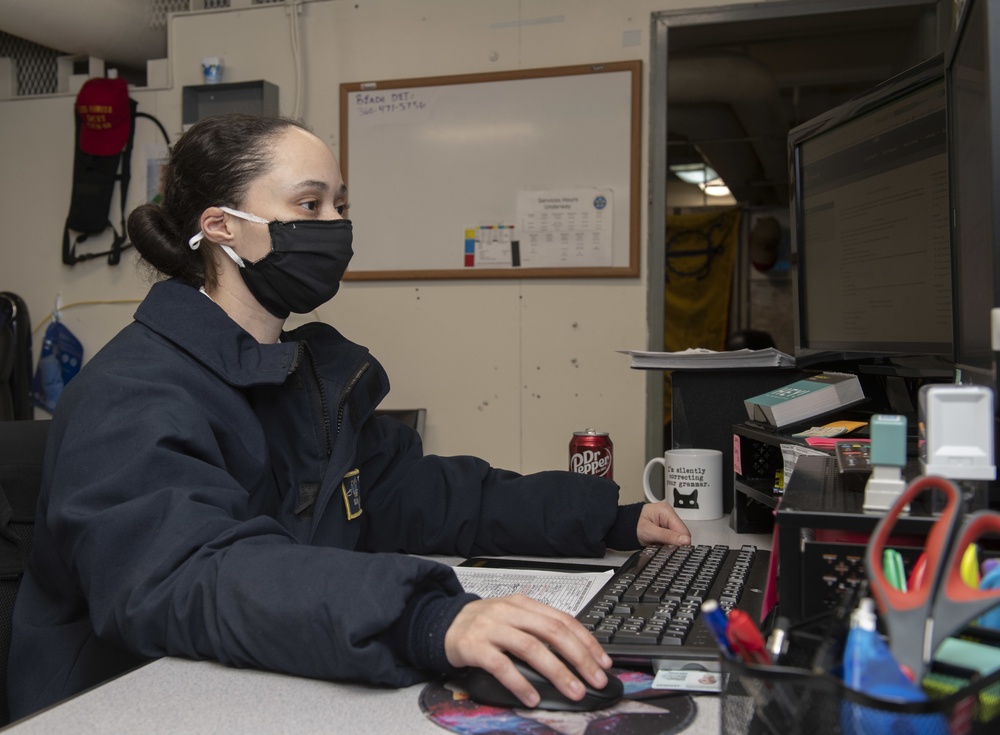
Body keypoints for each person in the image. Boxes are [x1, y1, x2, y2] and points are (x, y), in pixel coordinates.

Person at [8, 114, 691, 721]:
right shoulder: (131, 393)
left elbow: (413, 493)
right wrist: (423, 618)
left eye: (340, 205)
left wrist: (604, 517)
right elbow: (194, 574)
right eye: (310, 204)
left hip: (254, 684)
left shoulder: (301, 374)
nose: (335, 226)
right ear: (219, 227)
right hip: (125, 703)